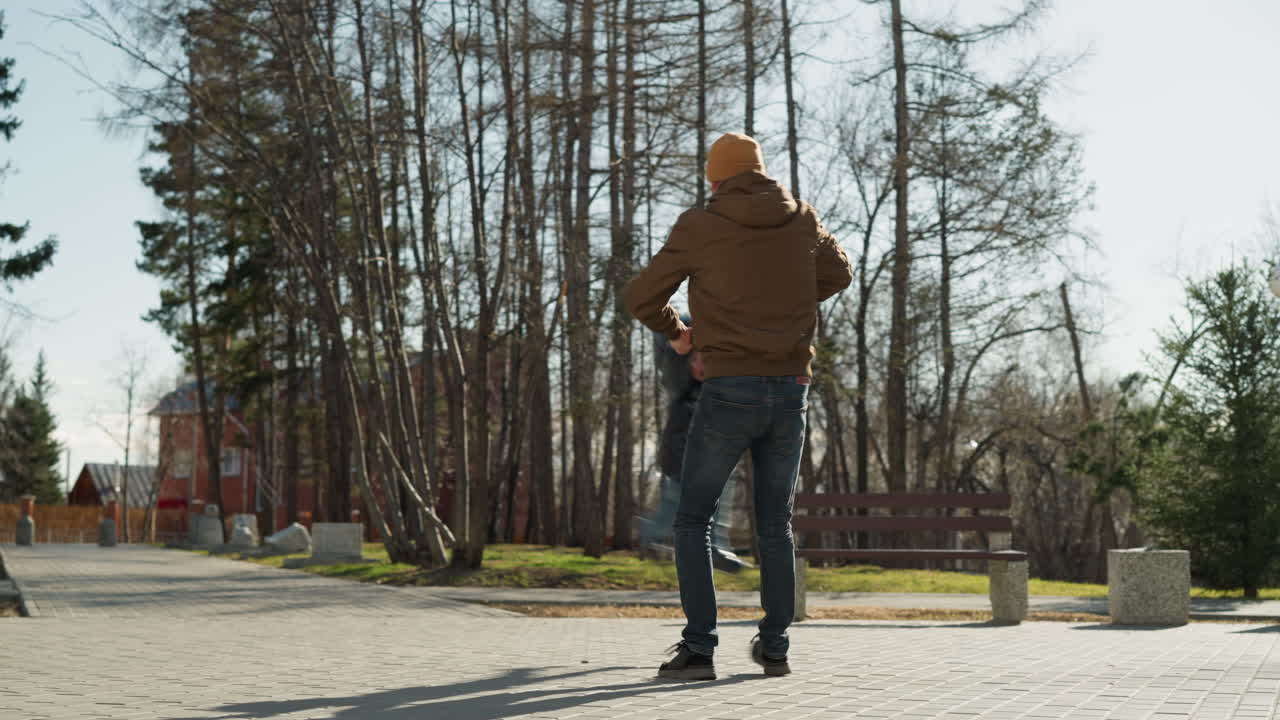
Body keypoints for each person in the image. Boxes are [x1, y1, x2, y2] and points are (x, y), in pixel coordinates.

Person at [624, 132, 853, 680]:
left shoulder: (700, 225)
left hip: (727, 390)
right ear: (761, 172)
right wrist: (785, 302)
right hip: (790, 390)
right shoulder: (801, 219)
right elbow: (840, 272)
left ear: (716, 178)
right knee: (775, 523)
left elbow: (640, 298)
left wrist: (680, 334)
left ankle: (699, 648)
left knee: (692, 518)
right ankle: (775, 645)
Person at [640, 316, 751, 574]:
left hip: (709, 451)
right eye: (695, 362)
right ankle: (654, 532)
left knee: (719, 493)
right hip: (681, 454)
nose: (700, 368)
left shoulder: (714, 383)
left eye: (704, 362)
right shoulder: (679, 382)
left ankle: (714, 545)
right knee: (675, 499)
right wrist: (680, 342)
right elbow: (671, 356)